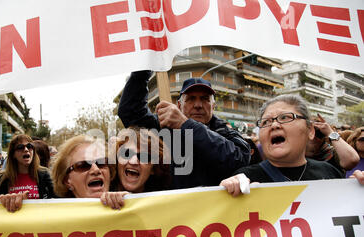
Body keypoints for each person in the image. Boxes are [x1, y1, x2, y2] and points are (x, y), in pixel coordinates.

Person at [117, 70, 250, 189]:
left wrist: (186, 124)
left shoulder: (224, 132)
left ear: (213, 106)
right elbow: (130, 112)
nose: (198, 105)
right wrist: (144, 68)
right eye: (191, 99)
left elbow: (240, 159)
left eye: (204, 99)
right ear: (179, 105)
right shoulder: (163, 127)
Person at [220, 94, 348, 196]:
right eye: (266, 122)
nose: (274, 125)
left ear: (310, 131)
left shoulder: (330, 173)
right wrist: (223, 194)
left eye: (285, 118)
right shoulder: (243, 180)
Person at [51, 135, 127, 209]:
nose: (96, 170)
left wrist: (130, 201)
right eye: (83, 165)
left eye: (101, 163)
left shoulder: (128, 208)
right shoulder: (55, 219)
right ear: (67, 181)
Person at [0, 134, 55, 212]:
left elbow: (59, 200)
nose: (26, 149)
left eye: (29, 146)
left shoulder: (44, 174)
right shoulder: (0, 178)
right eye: (20, 147)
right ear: (13, 154)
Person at [111, 126, 171, 193]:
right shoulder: (100, 193)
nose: (133, 162)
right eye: (126, 153)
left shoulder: (164, 199)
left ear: (153, 169)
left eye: (144, 157)